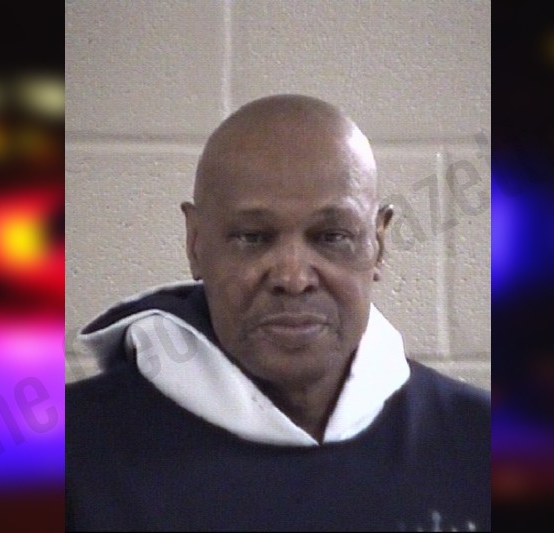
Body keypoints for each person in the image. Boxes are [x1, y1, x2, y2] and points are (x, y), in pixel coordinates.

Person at [66, 94, 490, 531]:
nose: (293, 277)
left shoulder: (484, 443)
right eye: (252, 237)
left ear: (378, 243)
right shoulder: (68, 452)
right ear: (196, 243)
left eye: (332, 236)